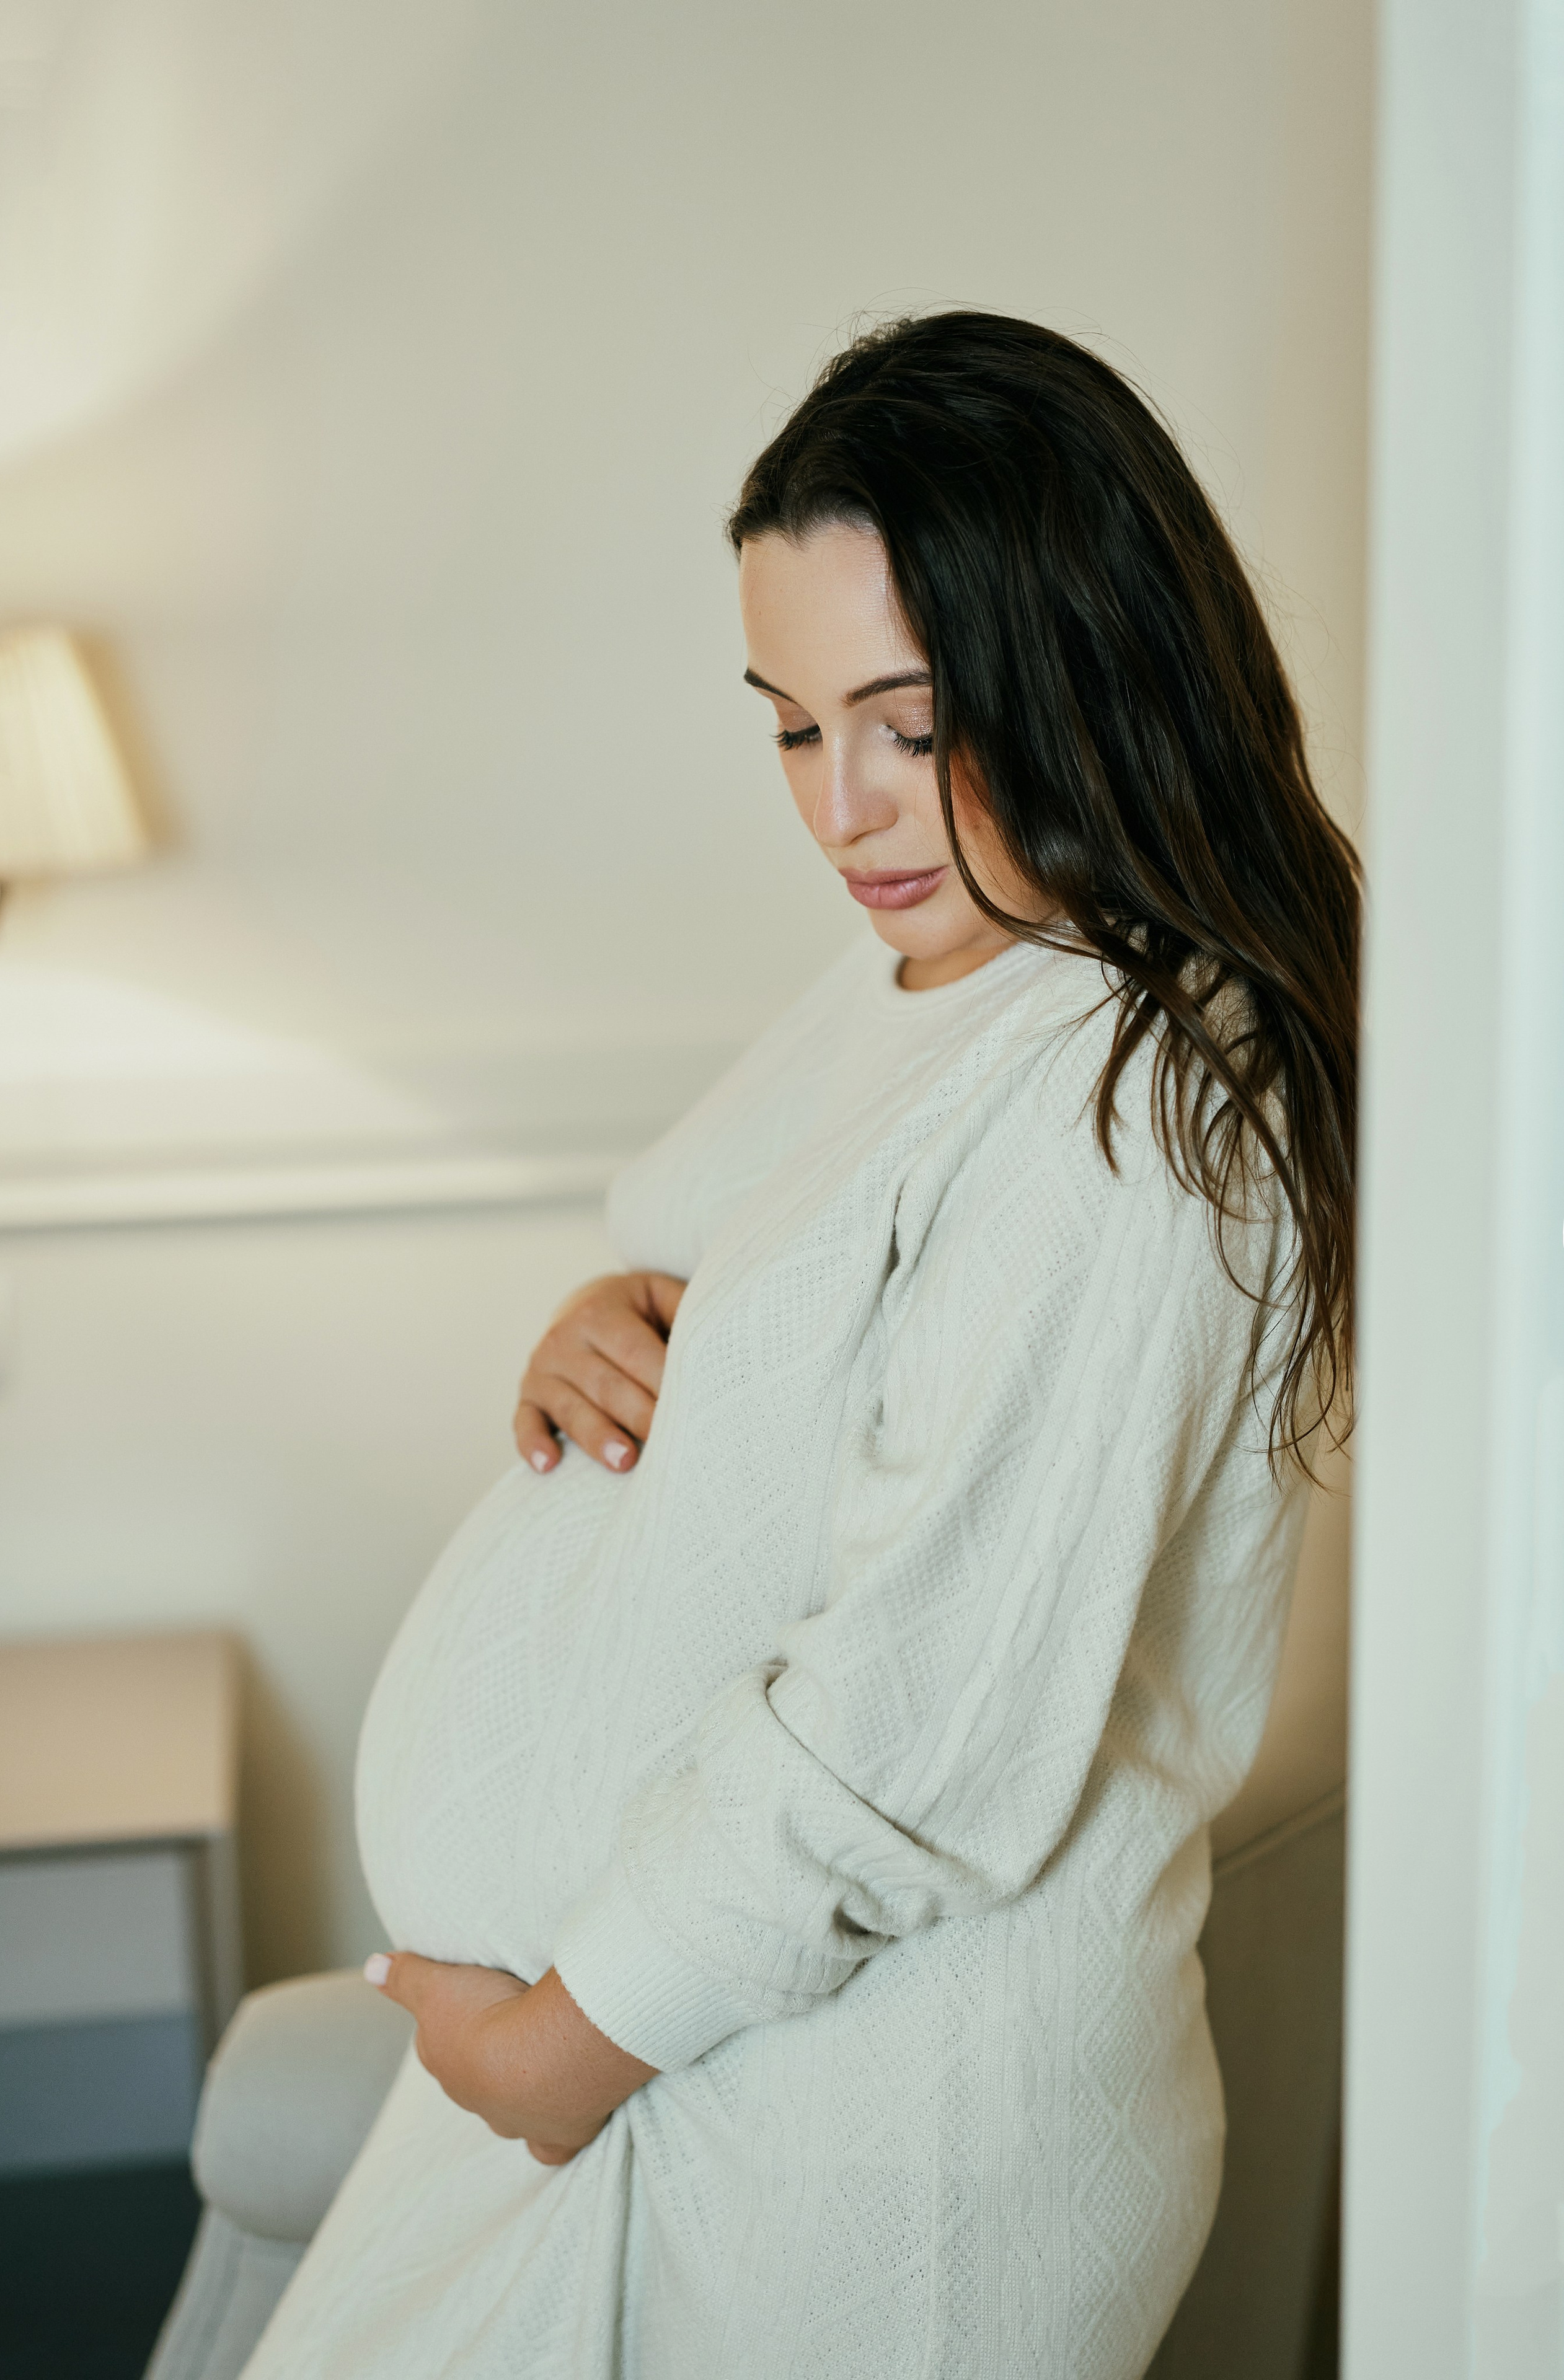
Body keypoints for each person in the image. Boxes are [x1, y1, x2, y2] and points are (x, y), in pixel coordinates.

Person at [242, 312, 1359, 2379]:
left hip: (866, 2152)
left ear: (1085, 663)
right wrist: (610, 1327)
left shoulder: (1148, 1109)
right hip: (710, 2062)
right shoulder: (957, 957)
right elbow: (775, 1302)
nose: (839, 809)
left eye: (906, 720)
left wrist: (572, 2043)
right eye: (786, 722)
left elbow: (912, 1729)